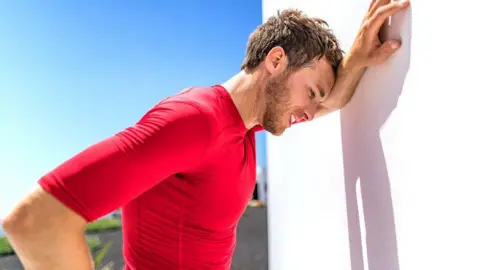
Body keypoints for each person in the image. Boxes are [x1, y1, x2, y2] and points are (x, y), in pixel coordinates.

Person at [2, 0, 410, 269]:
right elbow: (35, 222)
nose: (310, 111)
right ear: (276, 60)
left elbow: (328, 103)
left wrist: (356, 60)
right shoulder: (195, 120)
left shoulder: (244, 130)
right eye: (310, 92)